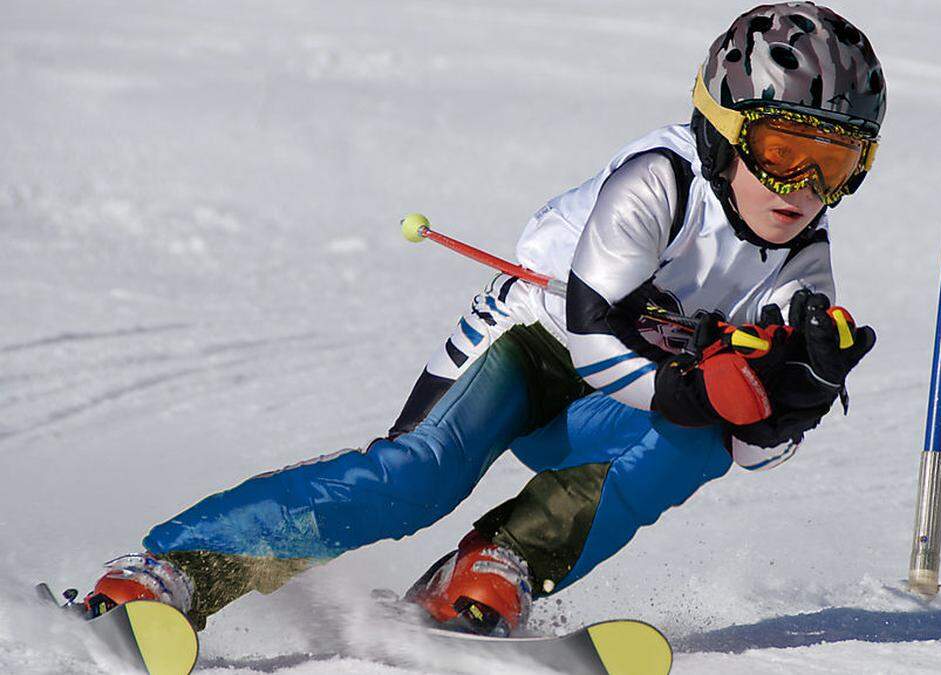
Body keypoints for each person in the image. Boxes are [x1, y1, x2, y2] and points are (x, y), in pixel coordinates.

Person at [82, 2, 886, 637]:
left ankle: (493, 567)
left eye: (837, 163)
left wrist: (789, 405)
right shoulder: (661, 182)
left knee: (703, 436)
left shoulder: (802, 264)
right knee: (418, 478)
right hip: (529, 346)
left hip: (609, 405)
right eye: (783, 149)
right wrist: (697, 388)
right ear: (725, 128)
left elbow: (743, 452)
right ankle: (175, 566)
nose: (803, 188)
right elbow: (593, 332)